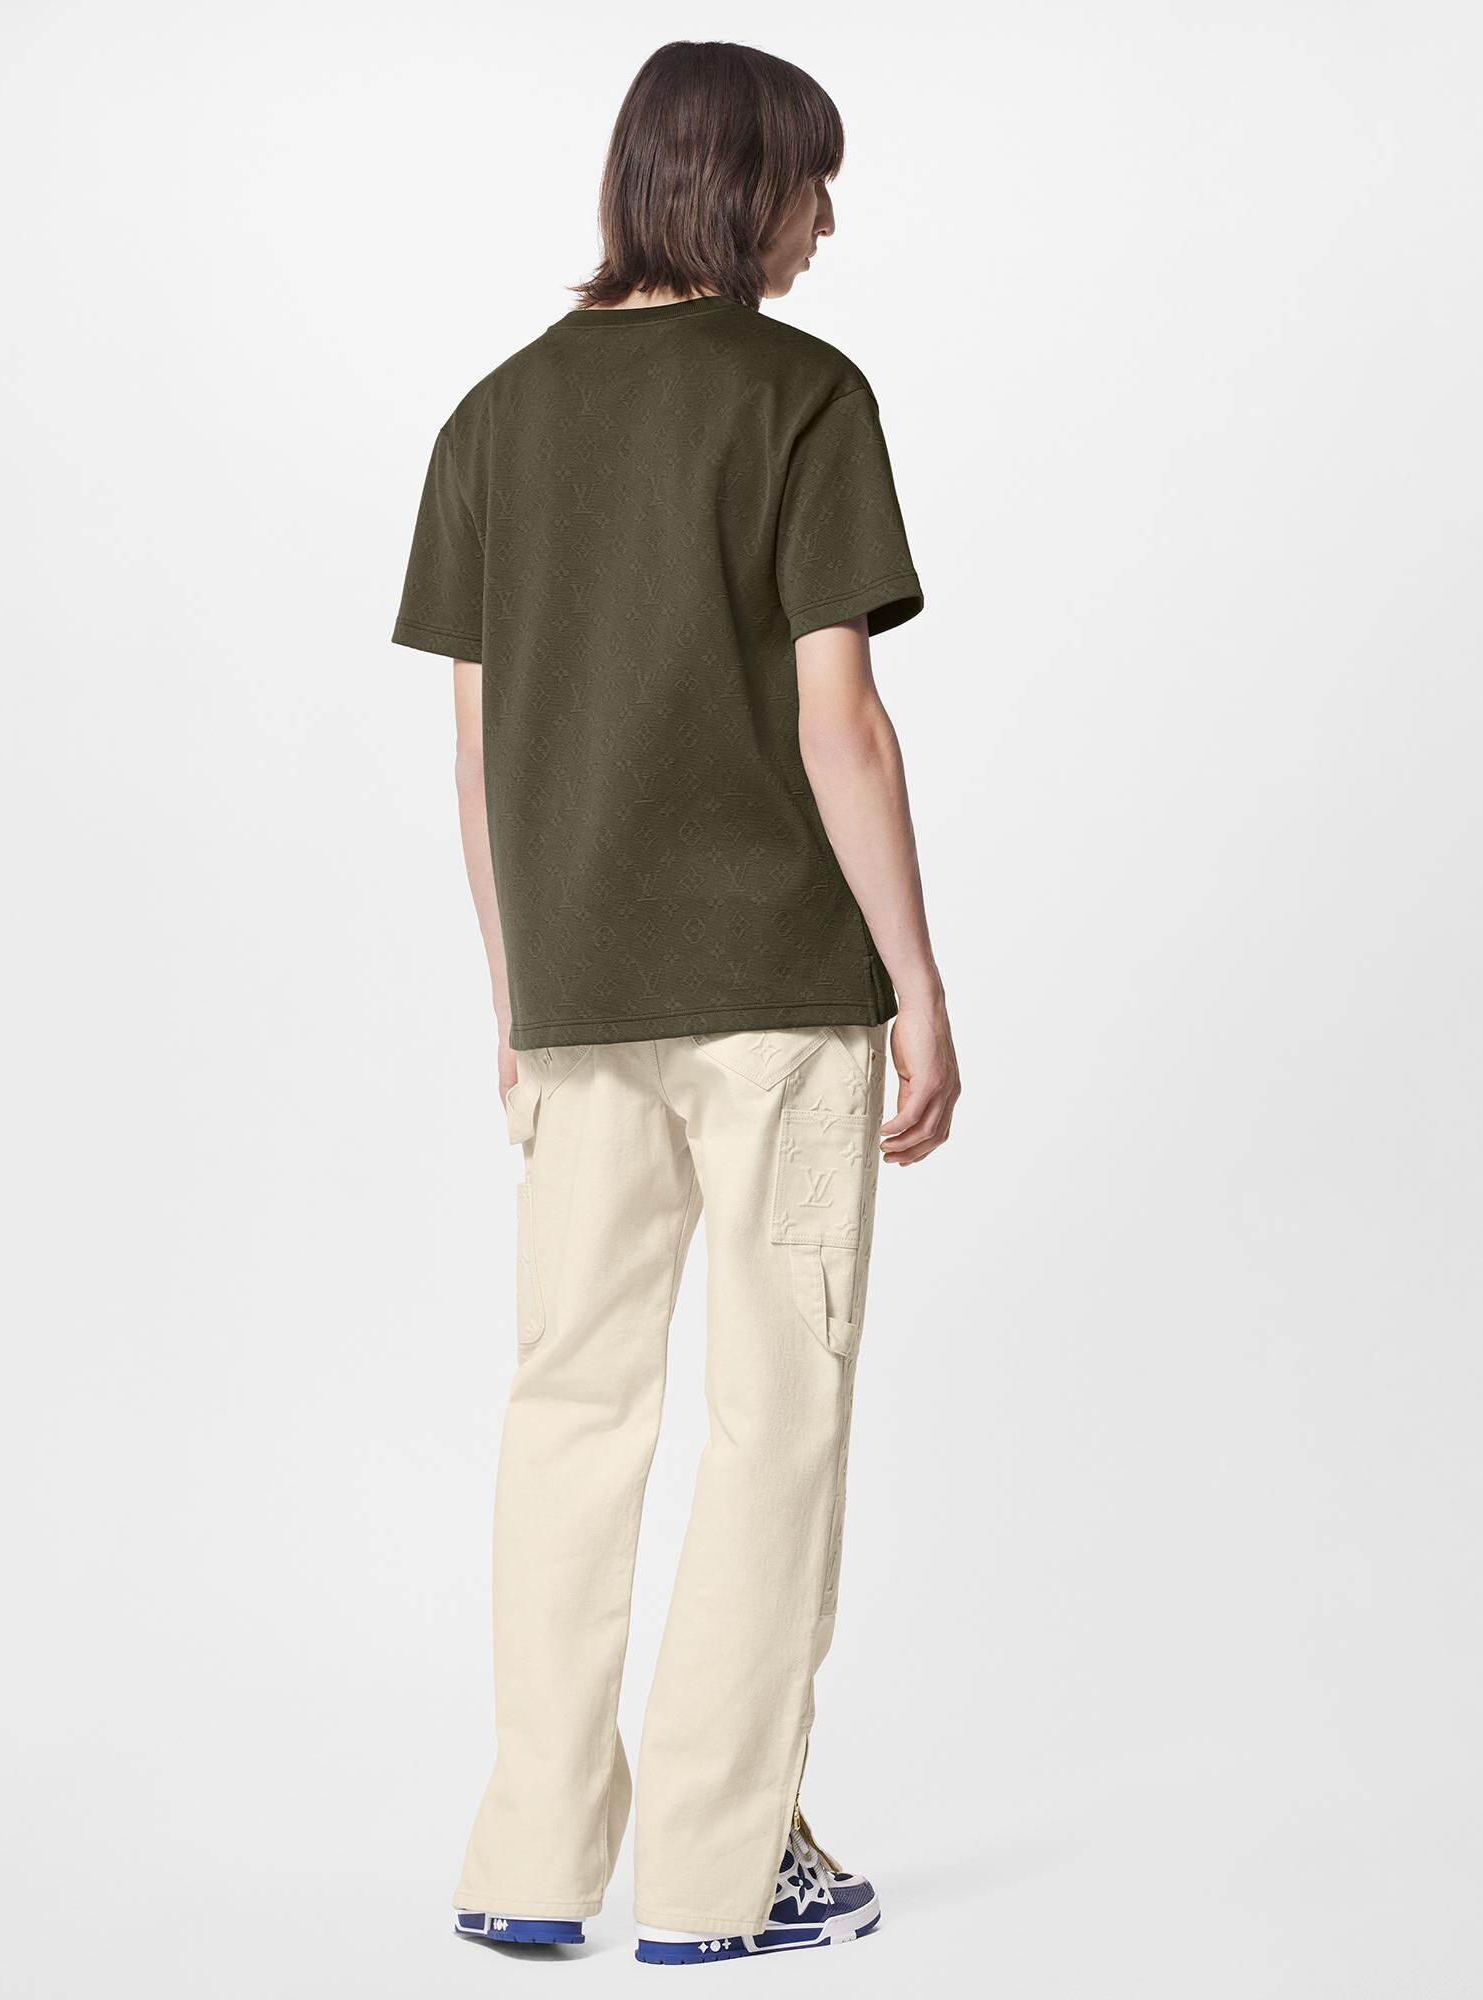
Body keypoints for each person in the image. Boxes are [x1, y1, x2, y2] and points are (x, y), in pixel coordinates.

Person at [392, 38, 959, 1966]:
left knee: (568, 1409)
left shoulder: (493, 418)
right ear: (736, 186)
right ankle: (721, 1882)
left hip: (575, 997)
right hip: (780, 992)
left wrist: (516, 991)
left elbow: (477, 753)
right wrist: (918, 982)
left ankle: (530, 1858)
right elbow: (841, 722)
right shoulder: (803, 396)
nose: (827, 219)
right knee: (773, 1421)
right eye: (810, 180)